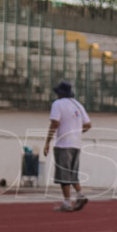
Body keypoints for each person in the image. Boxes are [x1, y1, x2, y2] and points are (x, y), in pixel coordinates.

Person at [43, 80, 91, 212]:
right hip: (76, 144)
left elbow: (54, 123)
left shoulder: (57, 104)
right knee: (72, 173)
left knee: (63, 174)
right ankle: (80, 195)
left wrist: (48, 141)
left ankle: (67, 202)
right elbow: (88, 125)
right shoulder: (78, 105)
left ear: (60, 93)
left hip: (63, 144)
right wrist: (75, 131)